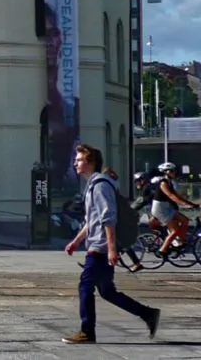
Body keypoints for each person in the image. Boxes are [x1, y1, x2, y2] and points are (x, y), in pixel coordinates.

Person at [62, 144, 159, 345]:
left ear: (90, 162)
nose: (75, 163)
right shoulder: (93, 185)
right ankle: (148, 314)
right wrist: (76, 241)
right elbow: (92, 220)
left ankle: (87, 331)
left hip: (101, 248)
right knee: (107, 292)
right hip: (98, 245)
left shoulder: (100, 186)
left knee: (85, 287)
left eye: (79, 160)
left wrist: (112, 249)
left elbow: (108, 217)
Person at [150, 162, 197, 257]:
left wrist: (191, 204)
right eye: (172, 171)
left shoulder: (169, 182)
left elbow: (177, 195)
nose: (174, 172)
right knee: (174, 231)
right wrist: (184, 204)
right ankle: (162, 250)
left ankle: (181, 243)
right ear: (166, 172)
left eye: (174, 171)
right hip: (160, 209)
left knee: (185, 220)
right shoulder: (163, 183)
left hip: (167, 208)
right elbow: (171, 196)